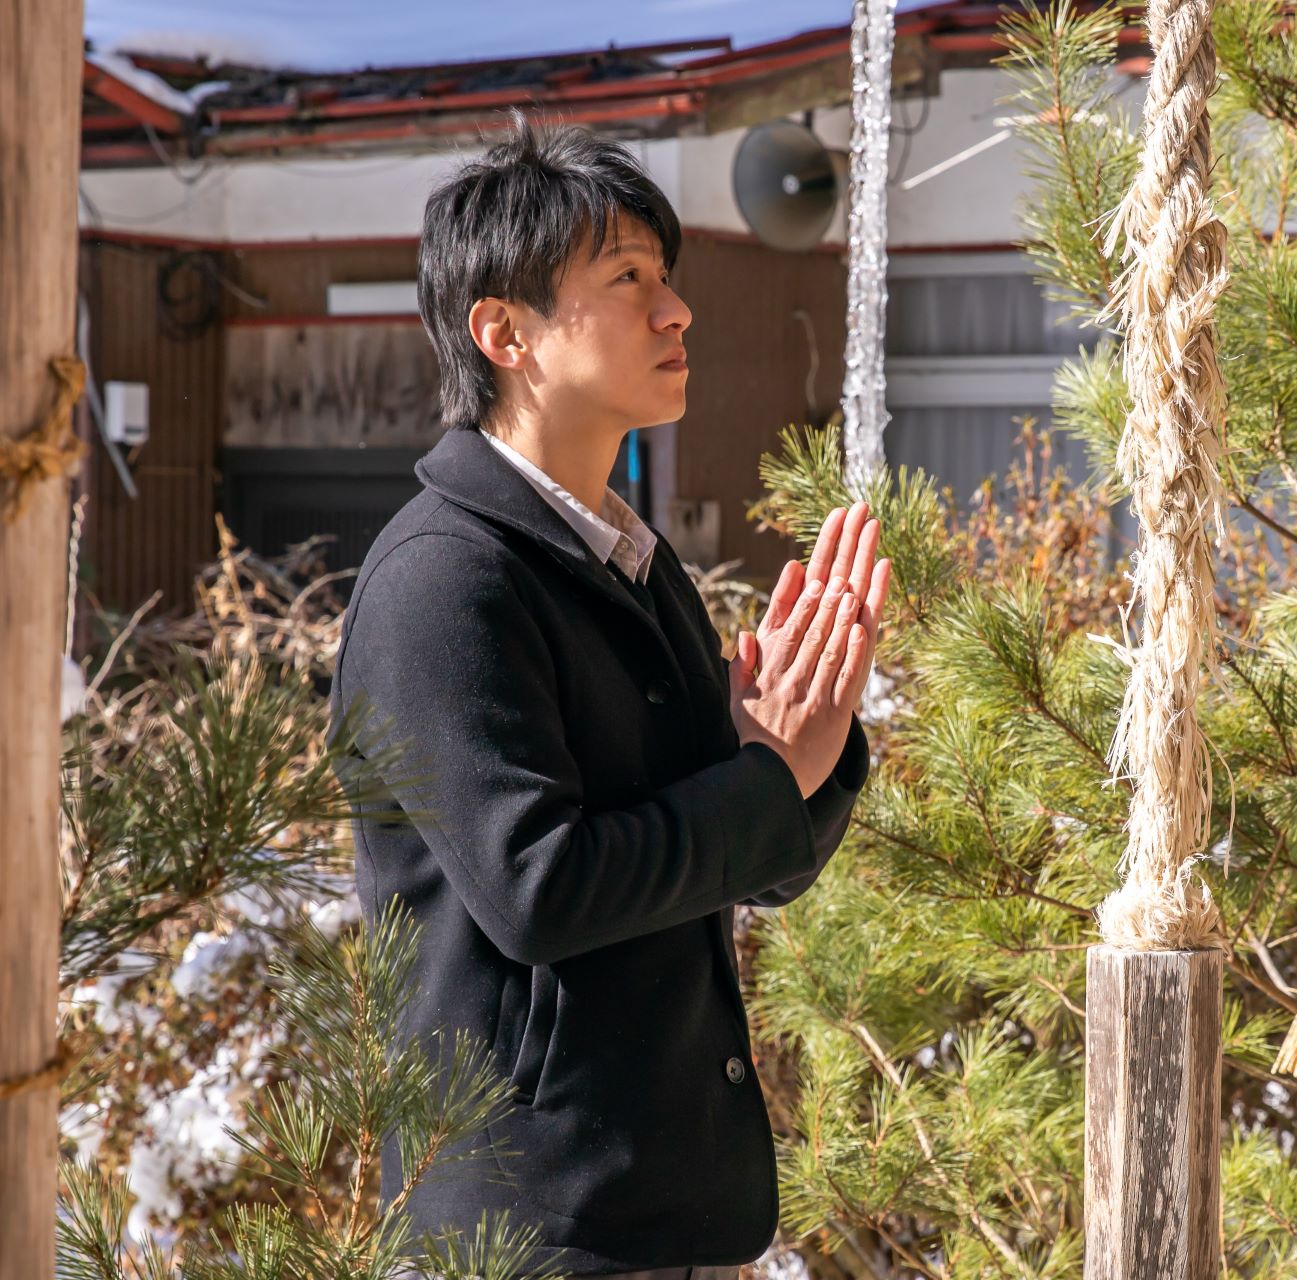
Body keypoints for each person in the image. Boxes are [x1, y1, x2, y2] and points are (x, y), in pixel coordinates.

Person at [327, 112, 890, 1279]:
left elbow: (754, 860)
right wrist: (762, 773)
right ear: (504, 332)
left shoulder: (628, 554)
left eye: (666, 276)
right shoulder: (444, 579)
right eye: (628, 278)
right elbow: (539, 886)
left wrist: (808, 750)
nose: (675, 308)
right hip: (527, 1230)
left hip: (659, 1205)